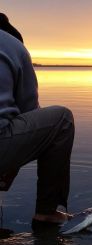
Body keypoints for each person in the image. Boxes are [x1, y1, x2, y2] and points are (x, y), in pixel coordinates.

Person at [0, 17, 75, 227]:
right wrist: (11, 165)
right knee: (62, 119)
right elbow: (29, 113)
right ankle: (47, 213)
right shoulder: (13, 45)